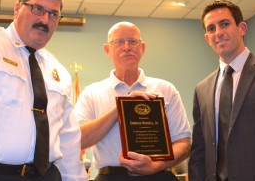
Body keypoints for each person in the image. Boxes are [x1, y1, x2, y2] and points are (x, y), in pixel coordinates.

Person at [0, 0, 87, 180]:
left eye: (53, 14)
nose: (45, 20)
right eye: (37, 9)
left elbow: (68, 139)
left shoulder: (59, 72)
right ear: (17, 9)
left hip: (48, 175)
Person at [73, 21, 191, 181]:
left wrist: (156, 165)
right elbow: (77, 140)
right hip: (111, 177)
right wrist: (119, 109)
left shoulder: (166, 89)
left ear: (142, 48)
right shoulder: (91, 93)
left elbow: (183, 144)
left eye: (133, 41)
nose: (127, 47)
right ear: (107, 50)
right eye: (119, 42)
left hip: (160, 175)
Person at [188, 0, 255, 181]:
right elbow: (199, 150)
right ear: (207, 38)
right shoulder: (202, 89)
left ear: (242, 28)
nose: (218, 33)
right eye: (211, 28)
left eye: (224, 24)